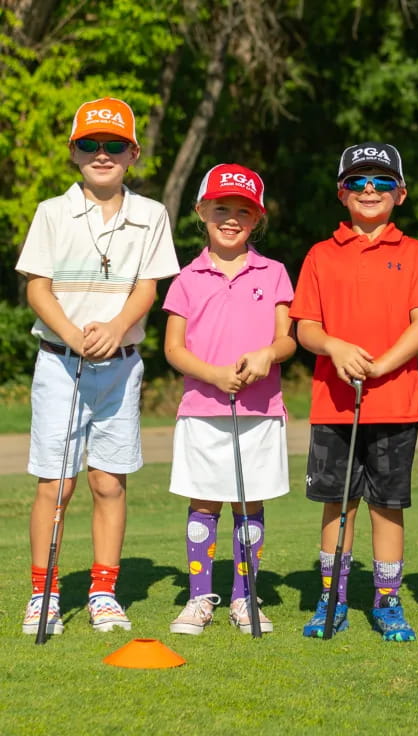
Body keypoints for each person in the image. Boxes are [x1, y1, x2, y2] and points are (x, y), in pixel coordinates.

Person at [16, 97, 179, 635]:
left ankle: (103, 592)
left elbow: (147, 289)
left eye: (114, 145)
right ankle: (44, 593)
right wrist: (73, 335)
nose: (101, 154)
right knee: (57, 484)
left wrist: (114, 328)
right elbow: (37, 288)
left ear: (133, 153)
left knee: (108, 482)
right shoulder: (51, 212)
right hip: (59, 363)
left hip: (121, 366)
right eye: (90, 144)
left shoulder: (151, 215)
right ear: (74, 152)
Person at [290, 142, 418, 642]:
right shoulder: (320, 254)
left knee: (387, 505)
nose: (369, 189)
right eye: (357, 181)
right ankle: (331, 597)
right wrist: (335, 347)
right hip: (334, 404)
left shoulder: (413, 252)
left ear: (401, 193)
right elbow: (306, 328)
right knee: (338, 503)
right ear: (342, 193)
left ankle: (387, 601)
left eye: (381, 181)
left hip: (395, 402)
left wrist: (381, 365)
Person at [163, 164, 295, 635]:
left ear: (257, 219)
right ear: (201, 212)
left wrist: (266, 355)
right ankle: (200, 598)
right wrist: (215, 375)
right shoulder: (186, 278)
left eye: (243, 210)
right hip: (203, 409)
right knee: (205, 502)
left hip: (260, 409)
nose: (232, 219)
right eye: (221, 209)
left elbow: (287, 340)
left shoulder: (274, 273)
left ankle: (244, 597)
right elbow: (173, 348)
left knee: (247, 502)